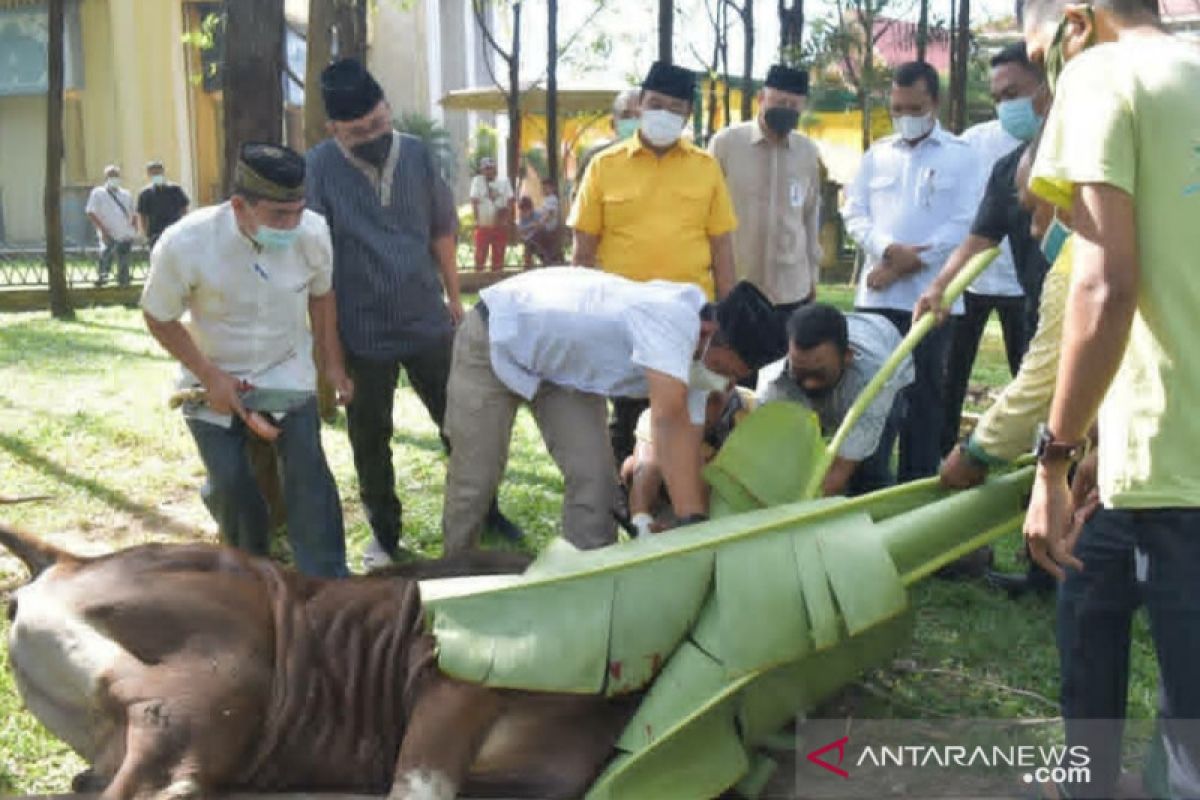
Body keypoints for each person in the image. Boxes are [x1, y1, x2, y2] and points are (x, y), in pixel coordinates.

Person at [1017, 0, 1200, 796]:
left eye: (1040, 51)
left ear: (1077, 21)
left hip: (1176, 458)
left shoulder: (1102, 76)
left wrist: (1051, 462)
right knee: (1086, 595)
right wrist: (1097, 439)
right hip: (1144, 449)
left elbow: (1106, 285)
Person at [306, 58, 520, 570]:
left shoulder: (419, 155)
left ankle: (486, 510)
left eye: (378, 123)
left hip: (427, 319)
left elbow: (442, 229)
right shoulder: (318, 167)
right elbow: (320, 269)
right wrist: (333, 362)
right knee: (370, 438)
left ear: (387, 109)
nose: (372, 135)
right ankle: (385, 531)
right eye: (357, 132)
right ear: (333, 129)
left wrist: (454, 297)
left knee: (462, 425)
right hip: (362, 330)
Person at [441, 269, 785, 554]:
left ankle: (591, 583)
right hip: (497, 336)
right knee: (477, 476)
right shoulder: (673, 319)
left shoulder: (700, 354)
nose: (726, 384)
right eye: (727, 370)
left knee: (596, 481)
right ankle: (452, 582)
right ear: (711, 333)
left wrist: (687, 525)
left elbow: (687, 443)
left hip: (565, 373)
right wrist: (692, 529)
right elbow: (667, 422)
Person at [140, 142, 351, 578]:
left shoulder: (313, 233)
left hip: (286, 368)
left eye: (298, 210)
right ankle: (252, 573)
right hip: (211, 373)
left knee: (309, 473)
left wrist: (332, 364)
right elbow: (158, 316)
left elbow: (322, 296)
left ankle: (326, 580)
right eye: (278, 215)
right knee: (234, 485)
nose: (291, 225)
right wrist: (210, 376)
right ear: (240, 206)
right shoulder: (185, 243)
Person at [569, 60, 739, 466]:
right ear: (640, 103)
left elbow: (723, 251)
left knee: (685, 414)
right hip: (622, 318)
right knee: (628, 415)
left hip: (692, 322)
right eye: (656, 103)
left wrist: (728, 322)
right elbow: (583, 253)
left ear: (688, 116)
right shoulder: (603, 167)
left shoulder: (705, 168)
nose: (664, 114)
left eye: (675, 108)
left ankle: (674, 507)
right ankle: (625, 507)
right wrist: (584, 318)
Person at [938, 137, 1068, 597]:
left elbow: (1041, 382)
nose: (1031, 230)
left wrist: (976, 452)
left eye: (1037, 210)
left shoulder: (1077, 271)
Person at [841, 60, 979, 483]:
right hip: (878, 304)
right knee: (874, 397)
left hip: (935, 301)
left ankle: (917, 483)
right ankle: (868, 483)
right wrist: (887, 250)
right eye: (898, 108)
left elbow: (968, 222)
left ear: (934, 103)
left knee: (926, 400)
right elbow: (854, 213)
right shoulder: (876, 156)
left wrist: (912, 262)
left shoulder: (963, 157)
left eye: (914, 108)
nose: (905, 117)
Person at [914, 44, 1052, 456]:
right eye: (998, 100)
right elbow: (980, 237)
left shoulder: (1094, 148)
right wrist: (939, 287)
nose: (1006, 108)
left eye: (1013, 95)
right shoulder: (1007, 166)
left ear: (1048, 85)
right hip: (1027, 297)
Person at [758, 303, 914, 496]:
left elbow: (840, 469)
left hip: (888, 355)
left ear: (847, 357)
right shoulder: (775, 382)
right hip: (857, 345)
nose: (809, 384)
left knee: (870, 470)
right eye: (800, 372)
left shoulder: (876, 379)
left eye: (819, 374)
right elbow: (771, 451)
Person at [709, 64, 823, 318]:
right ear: (761, 99)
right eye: (780, 102)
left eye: (794, 106)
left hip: (791, 291)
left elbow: (810, 215)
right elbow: (706, 212)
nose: (787, 110)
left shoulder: (807, 152)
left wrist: (812, 278)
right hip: (737, 288)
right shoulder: (726, 144)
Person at [621, 386, 757, 536]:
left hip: (740, 493)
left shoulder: (752, 407)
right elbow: (645, 469)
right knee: (630, 467)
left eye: (709, 401)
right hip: (678, 501)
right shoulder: (660, 413)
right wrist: (641, 520)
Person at [573, 87, 641, 195]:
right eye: (626, 115)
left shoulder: (667, 158)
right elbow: (579, 202)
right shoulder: (595, 158)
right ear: (613, 124)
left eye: (640, 115)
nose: (634, 121)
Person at [85, 164, 137, 287]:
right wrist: (102, 230)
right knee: (106, 256)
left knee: (124, 259)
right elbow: (91, 212)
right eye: (111, 175)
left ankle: (123, 282)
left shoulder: (126, 194)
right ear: (106, 177)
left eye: (116, 175)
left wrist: (134, 227)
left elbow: (133, 212)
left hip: (125, 233)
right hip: (108, 232)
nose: (114, 178)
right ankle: (102, 278)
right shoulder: (98, 193)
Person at [469, 157, 512, 272]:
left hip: (500, 225)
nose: (488, 171)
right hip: (483, 225)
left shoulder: (504, 181)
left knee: (498, 256)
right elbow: (474, 200)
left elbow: (510, 201)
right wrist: (476, 220)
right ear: (482, 170)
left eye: (491, 168)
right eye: (486, 169)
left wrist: (507, 219)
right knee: (480, 256)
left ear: (495, 169)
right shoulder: (477, 181)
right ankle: (478, 281)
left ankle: (496, 281)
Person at [136, 160, 190, 250]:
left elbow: (184, 209)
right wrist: (145, 234)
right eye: (153, 173)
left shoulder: (175, 189)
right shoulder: (145, 193)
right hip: (155, 234)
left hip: (175, 231)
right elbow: (142, 216)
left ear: (163, 172)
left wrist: (185, 227)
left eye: (158, 172)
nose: (156, 175)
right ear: (149, 174)